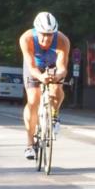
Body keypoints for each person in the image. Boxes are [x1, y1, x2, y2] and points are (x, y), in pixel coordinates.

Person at [19, 12, 70, 160]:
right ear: (36, 31)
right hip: (34, 66)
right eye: (43, 34)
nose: (46, 38)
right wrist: (41, 77)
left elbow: (62, 67)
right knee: (33, 99)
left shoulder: (62, 40)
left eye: (50, 35)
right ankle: (29, 144)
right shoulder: (26, 38)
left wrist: (57, 76)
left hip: (53, 65)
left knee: (57, 89)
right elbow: (31, 66)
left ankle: (54, 115)